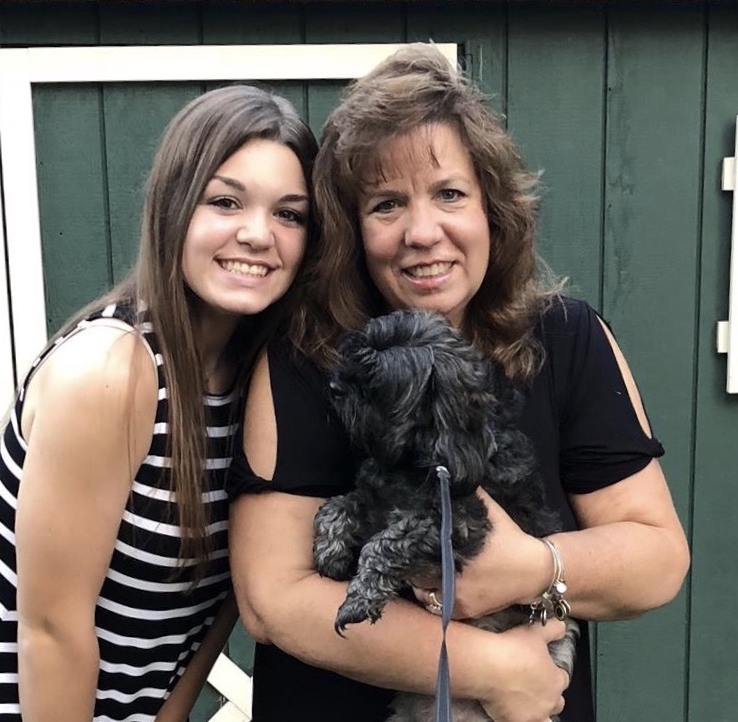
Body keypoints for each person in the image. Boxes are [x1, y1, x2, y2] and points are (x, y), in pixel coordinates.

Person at [226, 43, 690, 722]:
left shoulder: (564, 339)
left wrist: (535, 567)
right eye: (386, 204)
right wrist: (491, 668)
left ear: (492, 210)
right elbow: (272, 597)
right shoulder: (308, 359)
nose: (423, 232)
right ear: (353, 231)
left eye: (449, 194)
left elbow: (656, 559)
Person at [0, 84, 318, 722]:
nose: (257, 234)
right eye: (225, 201)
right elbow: (50, 629)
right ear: (173, 208)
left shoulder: (262, 385)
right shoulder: (112, 370)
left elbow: (216, 608)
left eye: (289, 214)